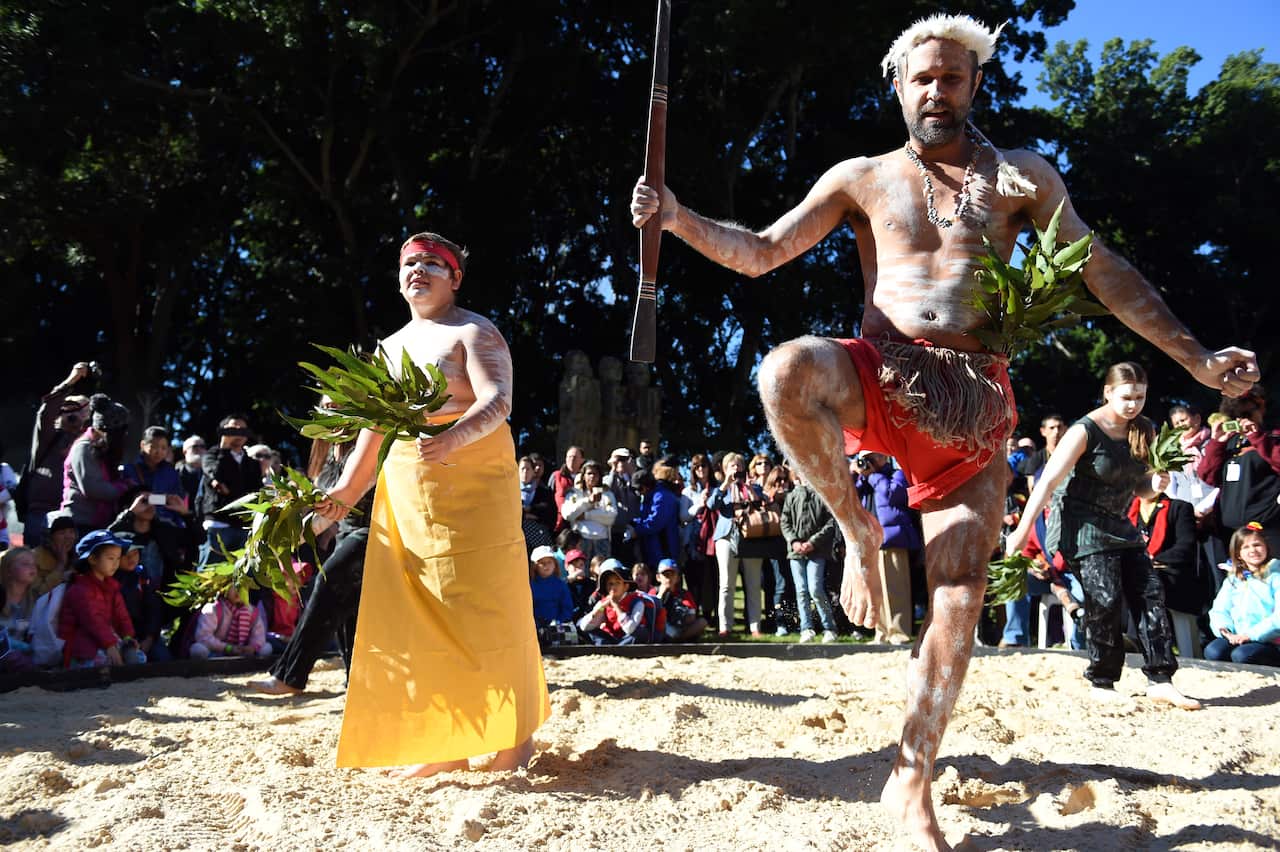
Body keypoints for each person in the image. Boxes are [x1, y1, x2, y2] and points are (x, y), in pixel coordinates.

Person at [630, 14, 1258, 848]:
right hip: (879, 374)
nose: (936, 90)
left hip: (972, 402)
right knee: (783, 369)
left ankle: (912, 777)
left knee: (958, 597)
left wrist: (1196, 357)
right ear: (898, 86)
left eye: (952, 78)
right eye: (922, 78)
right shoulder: (863, 176)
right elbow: (758, 253)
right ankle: (856, 533)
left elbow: (1104, 273)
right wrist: (674, 215)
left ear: (974, 84)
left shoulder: (1024, 178)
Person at [314, 231, 549, 779]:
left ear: (455, 277)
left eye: (431, 264)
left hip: (473, 489)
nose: (418, 270)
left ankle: (515, 740)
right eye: (410, 263)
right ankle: (446, 743)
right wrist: (340, 496)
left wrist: (451, 437)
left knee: (491, 610)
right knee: (421, 617)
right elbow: (371, 437)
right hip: (409, 496)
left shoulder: (474, 331)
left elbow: (498, 400)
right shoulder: (388, 349)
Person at [1007, 363, 1201, 710]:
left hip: (1119, 524)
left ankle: (1160, 678)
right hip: (1079, 526)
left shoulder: (1145, 429)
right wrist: (1022, 533)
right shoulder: (1084, 430)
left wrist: (1153, 485)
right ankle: (1103, 679)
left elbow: (1138, 487)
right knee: (1105, 598)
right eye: (1126, 397)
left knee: (1150, 592)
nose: (1133, 404)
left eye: (1140, 397)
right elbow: (1047, 483)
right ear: (1108, 392)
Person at [249, 425, 373, 696]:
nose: (333, 412)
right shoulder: (327, 454)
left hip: (374, 531)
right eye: (327, 405)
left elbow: (338, 505)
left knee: (327, 584)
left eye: (338, 404)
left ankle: (289, 675)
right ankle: (356, 681)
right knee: (346, 607)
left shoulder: (368, 440)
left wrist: (290, 540)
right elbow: (317, 503)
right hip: (345, 533)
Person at [21, 363, 93, 547]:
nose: (74, 413)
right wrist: (72, 380)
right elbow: (46, 412)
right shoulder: (48, 437)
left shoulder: (88, 443)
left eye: (82, 411)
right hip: (41, 513)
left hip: (73, 517)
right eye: (68, 408)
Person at [855, 452, 922, 645]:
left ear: (884, 458)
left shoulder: (897, 475)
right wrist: (860, 476)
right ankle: (882, 632)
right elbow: (853, 494)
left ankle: (899, 632)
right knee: (877, 589)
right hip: (872, 541)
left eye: (874, 457)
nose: (871, 461)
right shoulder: (866, 479)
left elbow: (893, 494)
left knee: (896, 588)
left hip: (892, 539)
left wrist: (873, 475)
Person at [58, 530, 143, 668]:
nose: (115, 563)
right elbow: (93, 620)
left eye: (117, 558)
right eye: (110, 558)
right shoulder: (79, 589)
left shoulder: (112, 587)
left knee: (137, 657)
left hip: (104, 638)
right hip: (81, 646)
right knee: (107, 661)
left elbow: (122, 616)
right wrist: (109, 645)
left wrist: (128, 637)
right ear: (92, 559)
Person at [1205, 523, 1280, 667]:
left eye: (1257, 545)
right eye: (1246, 547)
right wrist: (1225, 630)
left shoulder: (1275, 575)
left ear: (1266, 547)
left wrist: (1250, 635)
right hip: (1238, 635)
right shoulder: (1234, 578)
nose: (1253, 550)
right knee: (1214, 651)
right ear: (1238, 553)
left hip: (1268, 638)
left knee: (1242, 655)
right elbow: (1220, 609)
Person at [707, 452, 765, 637]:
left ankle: (755, 627)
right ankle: (725, 626)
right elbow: (711, 505)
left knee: (753, 583)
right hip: (726, 537)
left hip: (751, 537)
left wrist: (749, 487)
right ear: (725, 469)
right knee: (726, 584)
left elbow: (761, 504)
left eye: (739, 465)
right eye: (732, 466)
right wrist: (726, 484)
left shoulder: (753, 487)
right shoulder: (720, 489)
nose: (736, 469)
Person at [60, 394, 132, 536]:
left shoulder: (103, 448)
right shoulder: (84, 448)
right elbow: (93, 488)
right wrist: (124, 487)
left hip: (98, 524)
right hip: (79, 524)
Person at [781, 470, 840, 643]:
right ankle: (806, 628)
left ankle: (830, 628)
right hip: (796, 552)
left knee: (815, 589)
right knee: (801, 590)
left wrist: (813, 542)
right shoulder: (792, 496)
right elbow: (785, 521)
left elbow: (830, 523)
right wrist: (794, 541)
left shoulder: (821, 495)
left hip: (817, 551)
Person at [197, 414, 261, 561]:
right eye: (232, 430)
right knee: (212, 572)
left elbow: (255, 491)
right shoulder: (210, 455)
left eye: (242, 431)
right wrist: (224, 449)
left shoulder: (252, 463)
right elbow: (214, 473)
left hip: (244, 525)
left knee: (241, 576)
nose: (237, 434)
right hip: (218, 522)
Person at [576, 560, 648, 645]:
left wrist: (616, 606)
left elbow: (630, 629)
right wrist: (599, 609)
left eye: (617, 583)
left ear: (626, 586)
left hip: (629, 638)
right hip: (611, 639)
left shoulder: (637, 602)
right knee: (581, 624)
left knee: (639, 633)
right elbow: (584, 627)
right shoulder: (603, 603)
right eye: (610, 584)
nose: (613, 587)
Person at [561, 460, 618, 560]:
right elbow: (567, 515)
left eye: (595, 474)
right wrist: (588, 501)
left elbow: (611, 517)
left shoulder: (607, 494)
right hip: (581, 540)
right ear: (583, 476)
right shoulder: (574, 494)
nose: (592, 476)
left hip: (602, 540)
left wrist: (586, 515)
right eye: (589, 473)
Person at [631, 464, 681, 566]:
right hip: (652, 551)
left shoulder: (662, 497)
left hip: (663, 552)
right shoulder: (649, 498)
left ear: (647, 486)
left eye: (640, 489)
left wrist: (636, 530)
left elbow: (655, 523)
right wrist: (632, 523)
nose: (638, 493)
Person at [1, 547, 38, 670]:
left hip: (22, 660)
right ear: (8, 570)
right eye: (25, 564)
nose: (32, 568)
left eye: (34, 564)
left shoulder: (36, 600)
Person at [655, 558, 708, 641]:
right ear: (658, 577)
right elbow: (650, 613)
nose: (669, 578)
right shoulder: (654, 591)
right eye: (666, 575)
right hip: (661, 626)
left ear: (678, 577)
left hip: (680, 627)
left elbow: (692, 615)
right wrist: (660, 595)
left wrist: (683, 616)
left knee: (702, 622)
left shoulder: (684, 594)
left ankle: (678, 639)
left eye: (672, 574)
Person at [529, 545, 574, 627]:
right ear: (535, 566)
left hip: (557, 628)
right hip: (534, 628)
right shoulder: (530, 586)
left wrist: (558, 621)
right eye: (542, 563)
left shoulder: (560, 585)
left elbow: (567, 608)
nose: (546, 565)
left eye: (549, 562)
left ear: (555, 564)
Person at [32, 515, 76, 597]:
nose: (68, 537)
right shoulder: (33, 559)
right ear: (50, 537)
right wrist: (60, 565)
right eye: (62, 532)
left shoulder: (77, 559)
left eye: (72, 531)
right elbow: (38, 595)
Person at [549, 446, 584, 535]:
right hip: (559, 524)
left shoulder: (586, 478)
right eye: (569, 457)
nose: (572, 459)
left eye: (575, 457)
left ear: (582, 460)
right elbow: (548, 496)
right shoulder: (556, 476)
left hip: (580, 525)